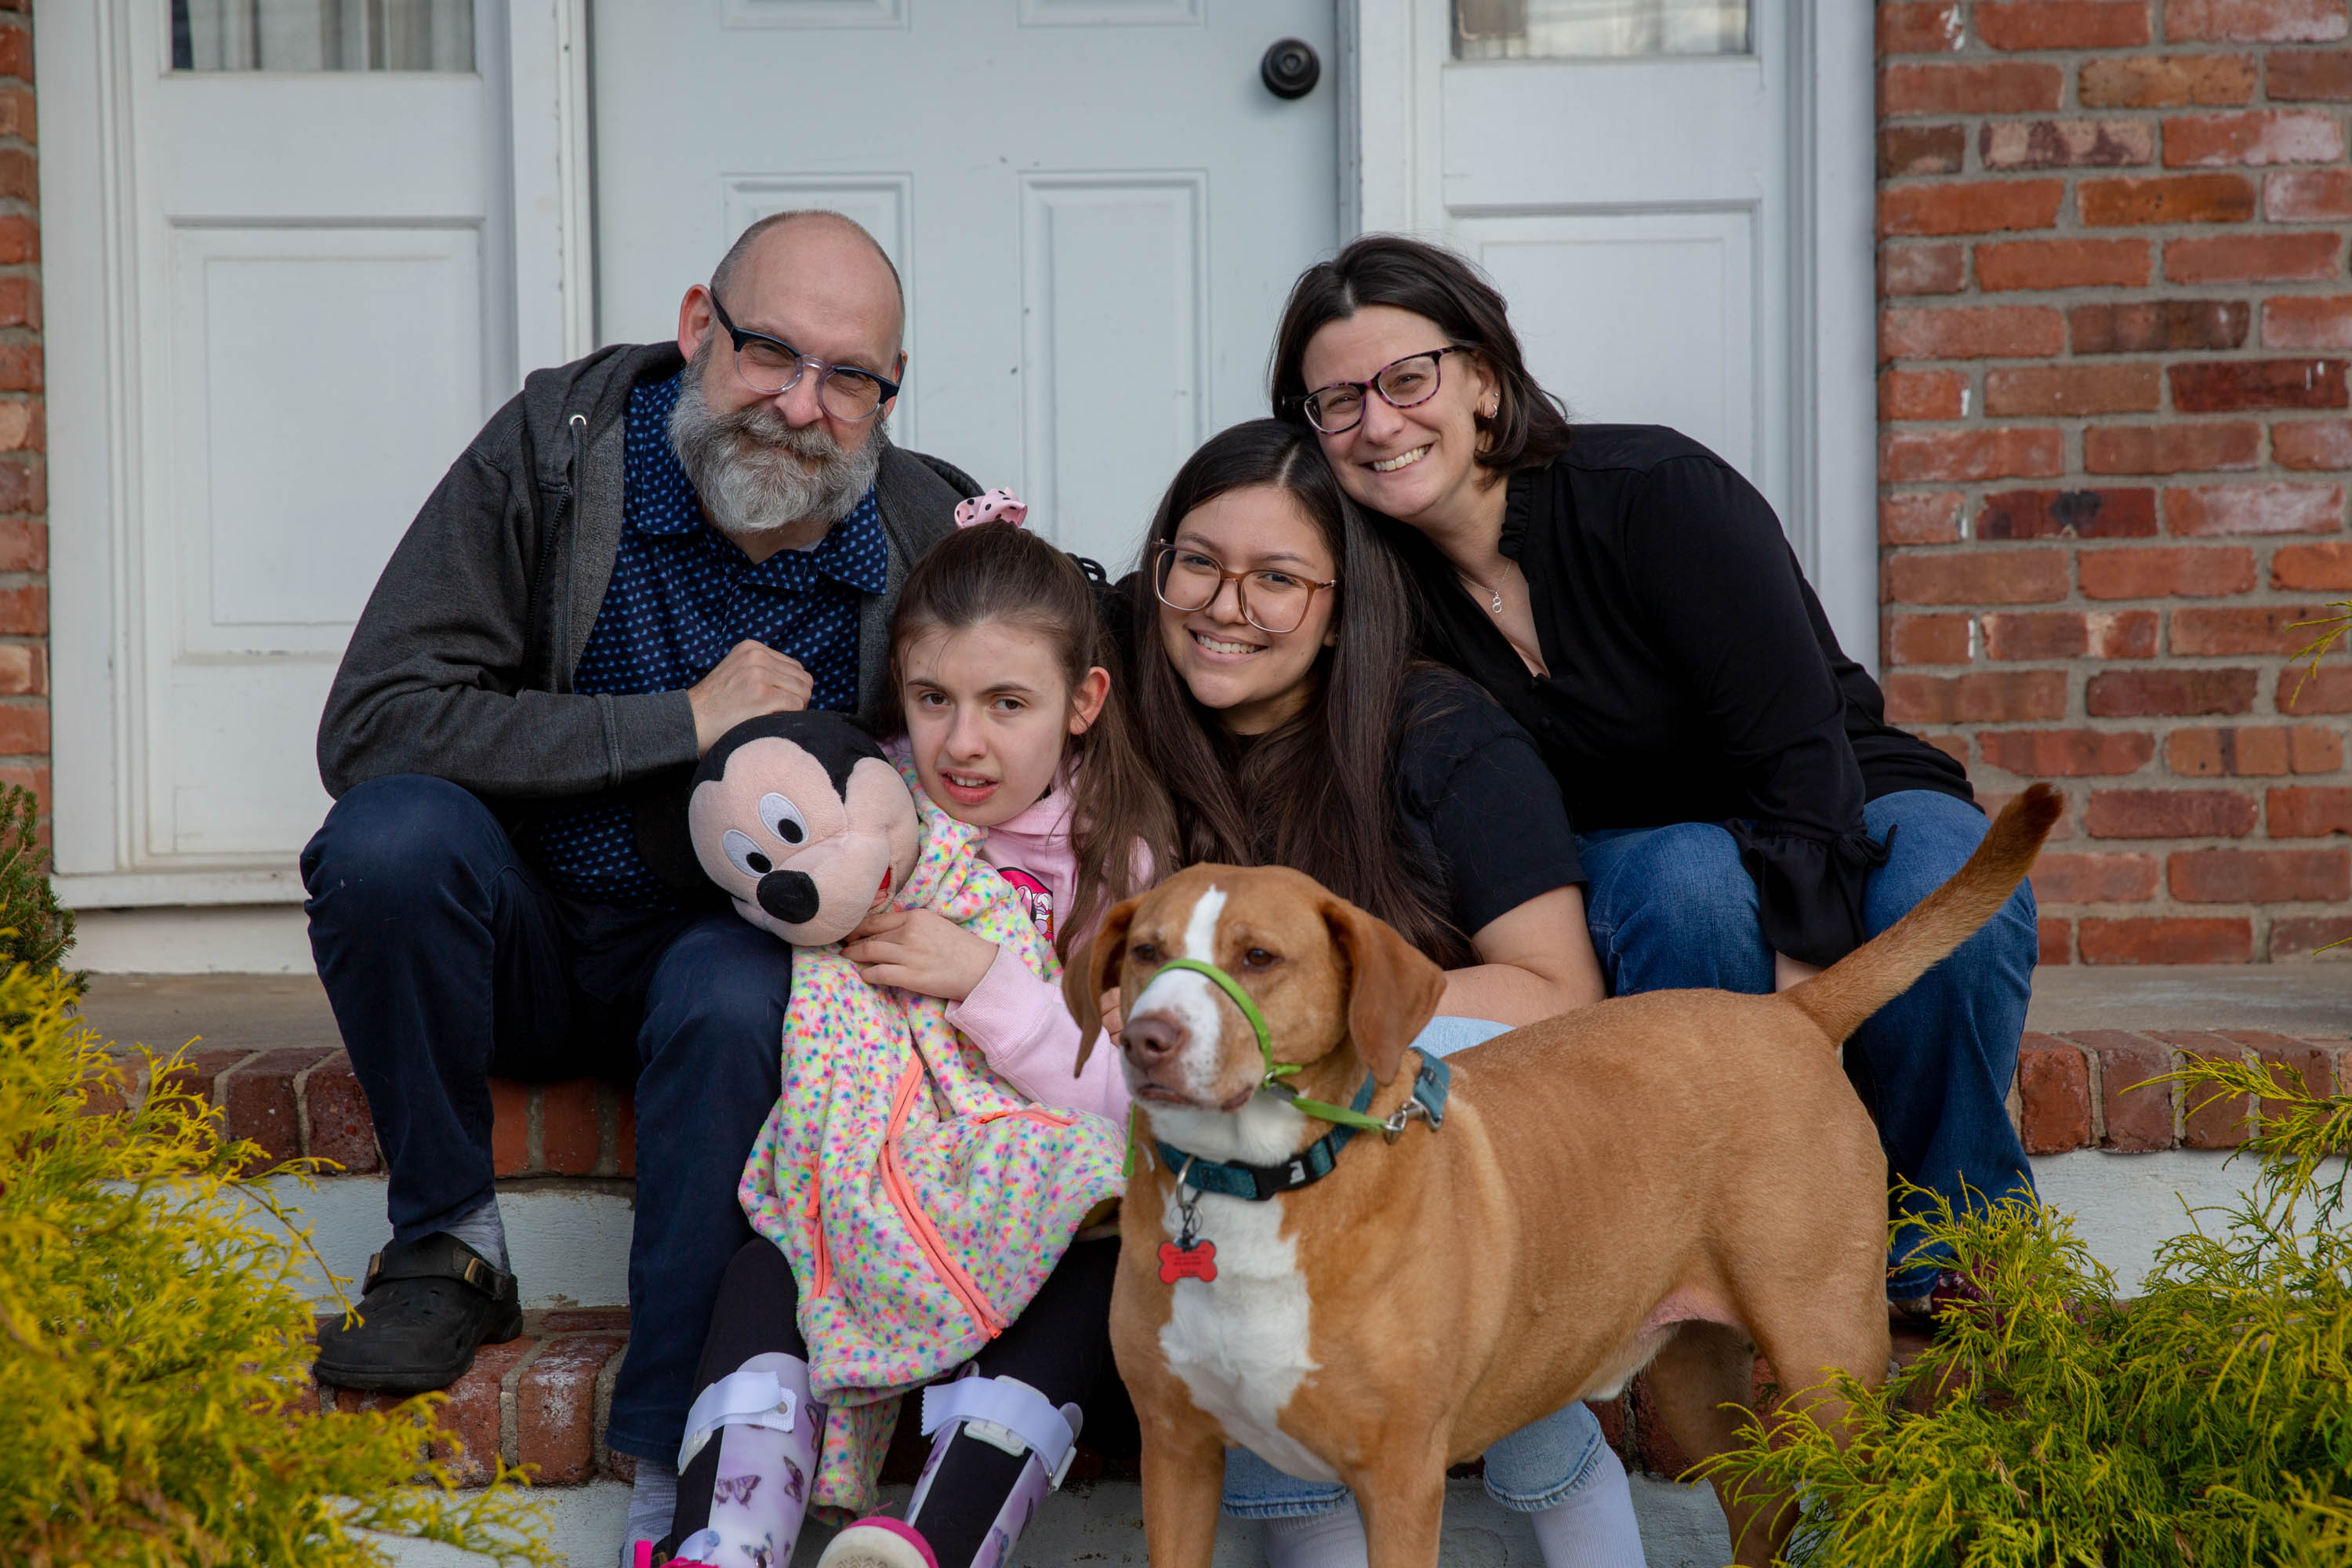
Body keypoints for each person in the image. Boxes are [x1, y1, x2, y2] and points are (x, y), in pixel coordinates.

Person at [300, 211, 975, 1548]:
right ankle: (447, 1243)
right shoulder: (557, 455)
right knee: (389, 842)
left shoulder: (918, 524)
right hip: (525, 932)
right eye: (769, 351)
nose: (800, 405)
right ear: (694, 328)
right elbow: (372, 723)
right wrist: (678, 721)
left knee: (735, 998)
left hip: (731, 959)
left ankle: (675, 1463)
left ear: (889, 396)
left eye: (850, 378)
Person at [1267, 234, 2038, 1319]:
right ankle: (1712, 1231)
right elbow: (1228, 579)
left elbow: (1800, 754)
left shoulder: (1653, 492)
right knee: (1687, 882)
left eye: (1406, 379)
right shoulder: (1377, 587)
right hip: (1644, 853)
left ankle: (1946, 1239)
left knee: (1945, 874)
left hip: (1835, 790)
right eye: (1336, 402)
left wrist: (1798, 1001)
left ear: (1483, 376)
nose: (1378, 423)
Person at [1124, 419, 1642, 1568]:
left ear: (1344, 602)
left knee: (1399, 1185)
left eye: (1278, 579)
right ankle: (1299, 1502)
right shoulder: (1129, 723)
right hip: (1211, 1164)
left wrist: (1339, 1018)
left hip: (1416, 1117)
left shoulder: (1441, 738)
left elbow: (1559, 988)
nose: (1226, 604)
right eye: (1197, 563)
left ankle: (1543, 1468)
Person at [653, 506, 1175, 1568]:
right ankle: (722, 1541)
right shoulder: (859, 812)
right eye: (933, 699)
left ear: (1084, 703)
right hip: (864, 1199)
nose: (963, 741)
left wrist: (986, 980)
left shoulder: (1118, 868)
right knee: (768, 1259)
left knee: (1105, 1242)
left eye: (1007, 703)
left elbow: (1142, 1107)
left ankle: (930, 1545)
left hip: (1031, 1221)